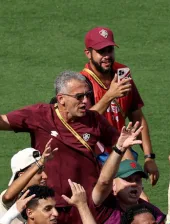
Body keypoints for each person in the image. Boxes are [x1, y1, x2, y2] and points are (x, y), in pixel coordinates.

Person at [0, 70, 118, 201]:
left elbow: (120, 145)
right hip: (52, 204)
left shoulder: (95, 119)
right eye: (79, 96)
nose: (85, 101)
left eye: (87, 95)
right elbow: (3, 122)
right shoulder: (39, 115)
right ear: (61, 99)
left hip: (89, 201)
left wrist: (124, 177)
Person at [81, 26, 160, 183]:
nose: (107, 56)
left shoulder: (122, 73)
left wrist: (148, 157)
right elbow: (85, 122)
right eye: (101, 51)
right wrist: (110, 95)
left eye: (109, 50)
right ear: (88, 53)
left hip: (123, 146)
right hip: (97, 153)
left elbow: (137, 117)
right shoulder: (82, 82)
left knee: (134, 195)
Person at [1, 142, 54, 224]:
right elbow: (8, 197)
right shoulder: (11, 196)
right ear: (22, 175)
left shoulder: (41, 196)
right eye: (39, 172)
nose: (45, 176)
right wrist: (39, 163)